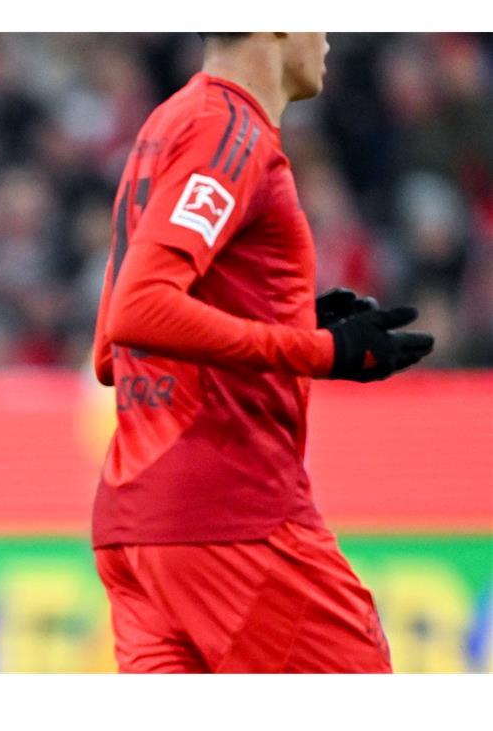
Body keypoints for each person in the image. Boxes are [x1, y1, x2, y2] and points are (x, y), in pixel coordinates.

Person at [90, 33, 434, 673]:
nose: (327, 38)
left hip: (137, 530)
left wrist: (284, 315)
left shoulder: (166, 126)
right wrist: (317, 348)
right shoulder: (230, 132)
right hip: (233, 518)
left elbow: (109, 352)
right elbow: (139, 312)